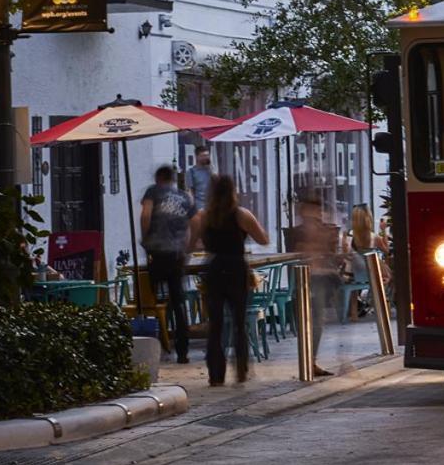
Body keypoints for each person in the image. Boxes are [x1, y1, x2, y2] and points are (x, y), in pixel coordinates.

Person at [188, 175, 269, 386]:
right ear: (233, 191)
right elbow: (264, 239)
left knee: (215, 325)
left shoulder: (202, 216)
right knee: (239, 323)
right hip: (236, 268)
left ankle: (216, 374)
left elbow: (189, 245)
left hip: (214, 268)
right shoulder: (242, 215)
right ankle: (241, 370)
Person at [140, 165, 195, 363]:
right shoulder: (185, 198)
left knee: (150, 300)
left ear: (158, 178)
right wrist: (185, 249)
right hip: (177, 254)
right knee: (178, 302)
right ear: (173, 179)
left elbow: (146, 215)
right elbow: (190, 228)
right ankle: (183, 351)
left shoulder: (152, 192)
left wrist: (145, 239)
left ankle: (154, 344)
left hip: (157, 252)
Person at [288, 193, 342, 377]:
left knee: (318, 321)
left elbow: (331, 254)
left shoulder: (323, 229)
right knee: (314, 321)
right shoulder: (299, 232)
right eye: (314, 210)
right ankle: (309, 362)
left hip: (319, 277)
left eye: (319, 210)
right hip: (308, 278)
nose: (318, 214)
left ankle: (311, 361)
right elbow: (298, 254)